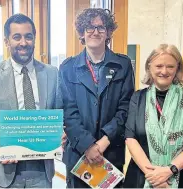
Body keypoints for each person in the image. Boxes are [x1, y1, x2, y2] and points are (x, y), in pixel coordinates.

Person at [0, 14, 58, 188]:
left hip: (41, 169)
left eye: (28, 36)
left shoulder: (52, 73)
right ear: (7, 41)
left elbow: (59, 112)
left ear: (34, 39)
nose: (23, 42)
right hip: (5, 171)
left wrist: (61, 131)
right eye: (16, 37)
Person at [58, 8, 134, 188]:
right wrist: (88, 145)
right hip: (78, 154)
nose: (95, 32)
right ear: (82, 33)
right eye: (89, 28)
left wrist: (102, 142)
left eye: (101, 27)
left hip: (110, 152)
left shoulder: (123, 65)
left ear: (108, 32)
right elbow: (67, 111)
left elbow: (125, 108)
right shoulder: (67, 68)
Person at [124, 44, 183, 188]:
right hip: (142, 178)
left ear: (177, 68)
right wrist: (155, 177)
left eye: (170, 66)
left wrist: (169, 170)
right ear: (149, 67)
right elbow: (130, 138)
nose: (164, 71)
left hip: (182, 178)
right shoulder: (138, 98)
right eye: (159, 66)